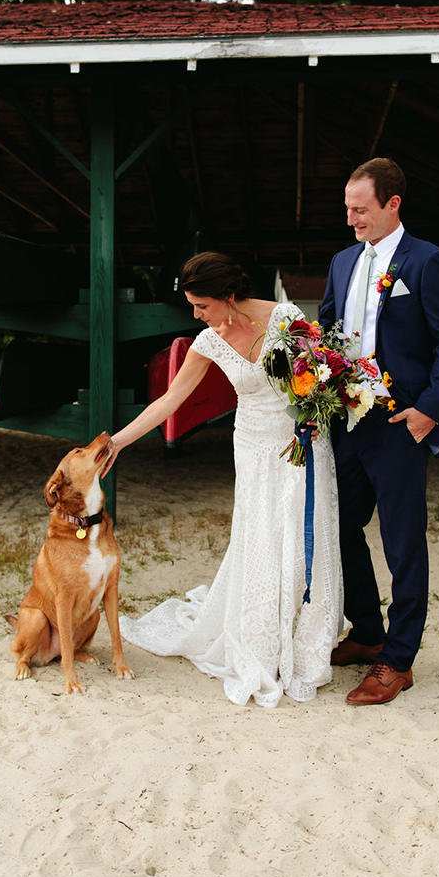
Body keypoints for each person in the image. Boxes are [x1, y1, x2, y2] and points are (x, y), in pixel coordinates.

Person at [109, 252, 343, 708]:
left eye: (203, 306)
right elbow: (169, 400)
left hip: (303, 442)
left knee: (301, 533)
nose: (197, 316)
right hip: (254, 447)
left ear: (229, 296)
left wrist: (316, 408)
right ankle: (262, 638)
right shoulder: (208, 341)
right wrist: (117, 442)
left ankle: (303, 634)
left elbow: (320, 377)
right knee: (261, 537)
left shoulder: (285, 318)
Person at [318, 158, 439, 706]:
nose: (352, 219)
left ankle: (398, 660)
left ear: (392, 204)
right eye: (348, 209)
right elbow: (330, 334)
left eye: (361, 209)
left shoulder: (427, 262)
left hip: (400, 423)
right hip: (347, 419)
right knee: (339, 526)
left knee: (403, 542)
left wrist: (429, 410)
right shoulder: (341, 262)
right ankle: (366, 631)